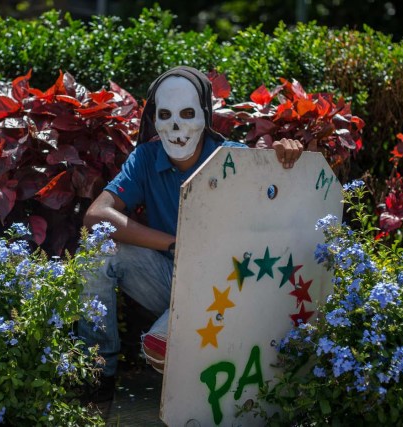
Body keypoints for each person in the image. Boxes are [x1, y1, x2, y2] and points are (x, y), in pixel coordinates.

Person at [78, 66, 303, 402]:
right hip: (171, 278)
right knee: (97, 252)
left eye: (187, 114)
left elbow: (282, 207)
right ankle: (98, 374)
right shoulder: (146, 158)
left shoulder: (235, 160)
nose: (176, 126)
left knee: (161, 347)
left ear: (205, 115)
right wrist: (176, 244)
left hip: (227, 288)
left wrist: (289, 157)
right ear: (154, 119)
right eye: (165, 115)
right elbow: (96, 216)